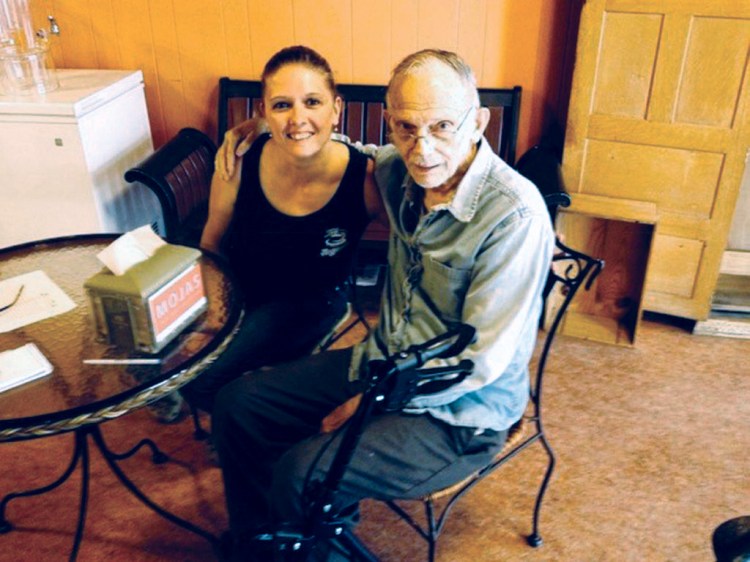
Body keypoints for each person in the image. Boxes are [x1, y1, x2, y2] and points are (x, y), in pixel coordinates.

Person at [212, 49, 555, 561]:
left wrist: (372, 404)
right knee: (240, 405)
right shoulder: (396, 170)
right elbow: (331, 141)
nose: (423, 150)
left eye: (442, 126)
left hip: (458, 415)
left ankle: (308, 539)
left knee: (303, 472)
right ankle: (263, 541)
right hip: (378, 358)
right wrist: (255, 129)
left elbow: (478, 362)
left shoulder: (514, 217)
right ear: (390, 124)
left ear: (478, 122)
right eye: (405, 128)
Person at [177, 45, 383, 418]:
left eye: (312, 102)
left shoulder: (365, 177)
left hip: (312, 301)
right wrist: (216, 310)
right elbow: (211, 243)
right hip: (240, 289)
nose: (297, 119)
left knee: (205, 379)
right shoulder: (239, 161)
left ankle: (245, 426)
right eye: (282, 105)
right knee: (162, 352)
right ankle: (236, 409)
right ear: (264, 112)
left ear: (336, 109)